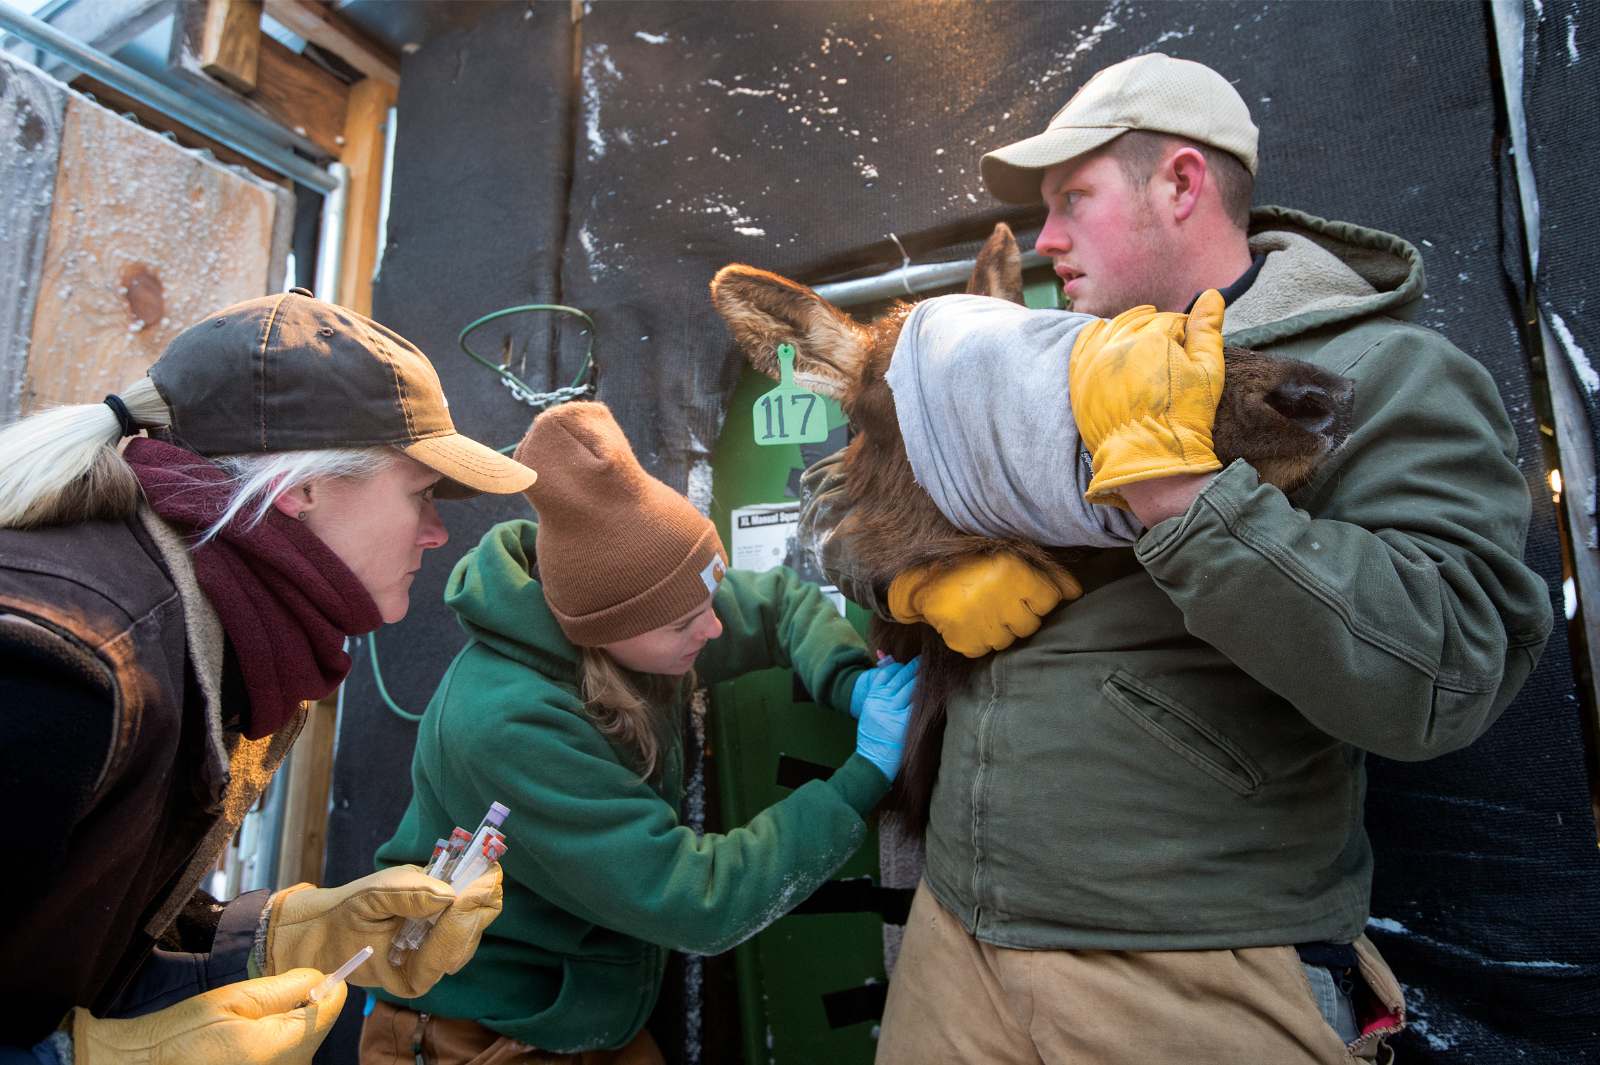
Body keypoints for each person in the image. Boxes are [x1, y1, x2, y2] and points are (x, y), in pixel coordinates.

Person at [801, 54, 1553, 1064]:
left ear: (1182, 184)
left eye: (1073, 198)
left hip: (1188, 967)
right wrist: (916, 576)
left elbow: (1445, 670)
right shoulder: (1036, 364)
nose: (1045, 238)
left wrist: (1181, 496)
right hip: (958, 931)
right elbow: (841, 506)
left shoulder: (1380, 373)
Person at [0, 289, 532, 1065]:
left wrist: (275, 940)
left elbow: (65, 941)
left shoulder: (223, 637)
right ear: (302, 485)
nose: (438, 531)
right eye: (420, 493)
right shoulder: (66, 670)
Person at [359, 401, 918, 1065]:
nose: (710, 629)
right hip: (477, 1036)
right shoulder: (508, 725)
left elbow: (773, 601)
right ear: (606, 630)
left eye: (706, 600)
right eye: (686, 623)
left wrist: (848, 678)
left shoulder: (643, 611)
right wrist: (866, 773)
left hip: (589, 1017)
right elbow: (696, 897)